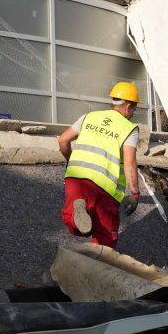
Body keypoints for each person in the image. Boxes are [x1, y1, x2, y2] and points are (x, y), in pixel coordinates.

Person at [58, 82, 142, 249]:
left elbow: (63, 140)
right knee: (105, 239)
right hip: (104, 188)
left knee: (75, 224)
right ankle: (99, 271)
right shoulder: (129, 128)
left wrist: (70, 161)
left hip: (75, 179)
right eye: (134, 109)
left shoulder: (89, 117)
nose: (133, 114)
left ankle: (78, 212)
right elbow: (130, 163)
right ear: (127, 106)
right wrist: (135, 193)